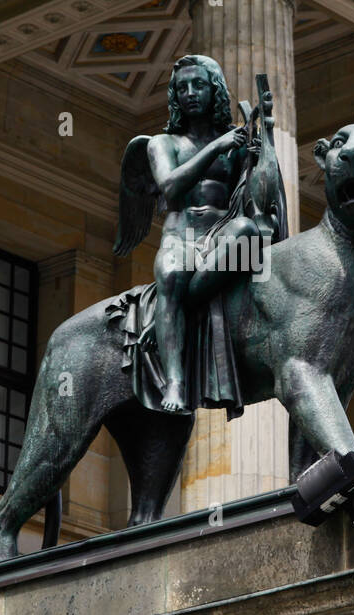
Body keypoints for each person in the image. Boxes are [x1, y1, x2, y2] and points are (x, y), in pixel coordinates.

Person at [112, 54, 286, 414]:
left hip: (223, 235)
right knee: (173, 274)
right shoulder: (162, 144)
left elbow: (258, 198)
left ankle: (179, 313)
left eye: (199, 85)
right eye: (182, 88)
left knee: (248, 233)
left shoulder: (235, 142)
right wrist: (216, 148)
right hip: (182, 236)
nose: (190, 93)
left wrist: (263, 140)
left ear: (214, 90)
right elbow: (171, 189)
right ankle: (175, 380)